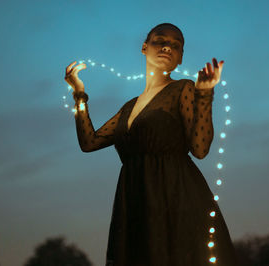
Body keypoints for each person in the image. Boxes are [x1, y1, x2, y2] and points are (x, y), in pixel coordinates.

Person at [64, 23, 240, 266]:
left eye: (176, 45)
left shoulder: (183, 89)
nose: (168, 46)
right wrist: (79, 93)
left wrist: (205, 94)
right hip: (135, 203)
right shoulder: (128, 108)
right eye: (160, 40)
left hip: (176, 199)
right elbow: (89, 142)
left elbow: (199, 149)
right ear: (145, 47)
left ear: (180, 58)